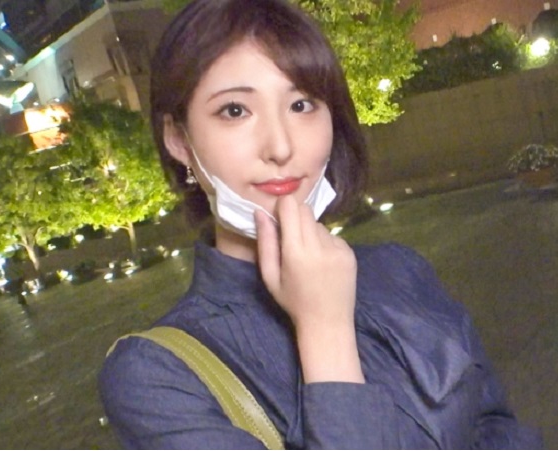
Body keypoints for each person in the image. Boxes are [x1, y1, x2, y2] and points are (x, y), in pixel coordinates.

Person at [99, 0, 541, 448]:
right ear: (179, 139)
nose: (280, 146)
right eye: (234, 110)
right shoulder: (155, 376)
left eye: (301, 104)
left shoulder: (401, 269)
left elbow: (499, 428)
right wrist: (325, 330)